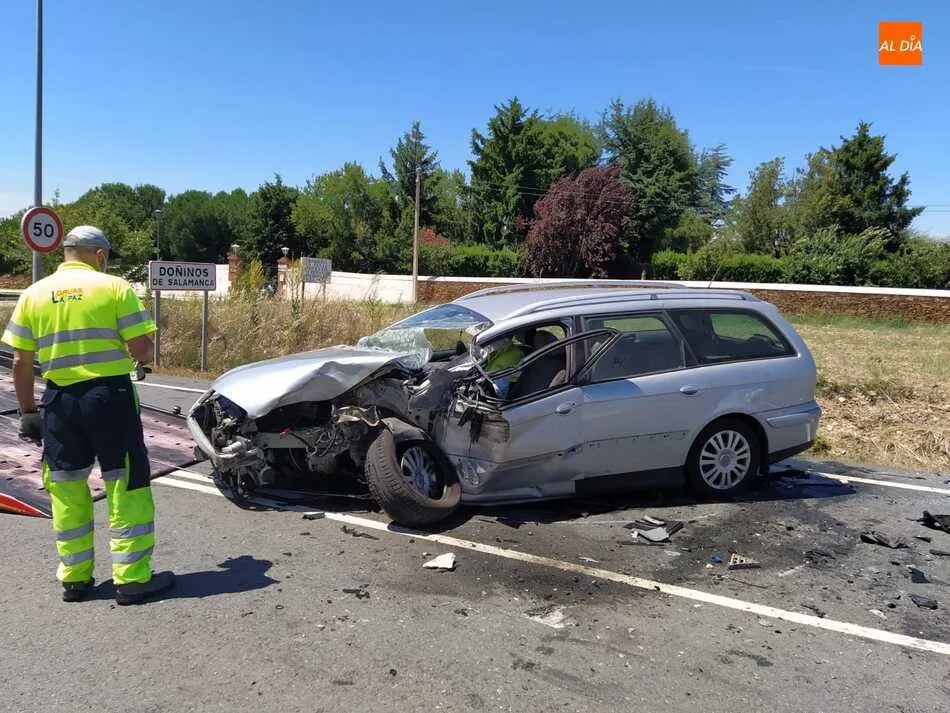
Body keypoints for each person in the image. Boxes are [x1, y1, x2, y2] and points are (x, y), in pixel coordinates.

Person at [1, 225, 175, 604]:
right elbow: (142, 351)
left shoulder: (33, 294)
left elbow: (19, 361)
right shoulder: (114, 288)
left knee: (65, 486)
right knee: (124, 482)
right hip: (108, 397)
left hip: (59, 400)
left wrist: (29, 412)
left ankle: (76, 578)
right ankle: (131, 579)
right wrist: (138, 348)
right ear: (99, 255)